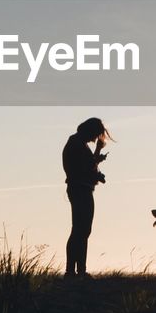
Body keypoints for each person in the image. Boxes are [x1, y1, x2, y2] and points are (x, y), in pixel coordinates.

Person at [62, 117, 111, 278]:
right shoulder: (77, 144)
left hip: (80, 188)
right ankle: (76, 270)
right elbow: (86, 166)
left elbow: (86, 166)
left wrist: (96, 168)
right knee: (81, 230)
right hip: (81, 189)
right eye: (96, 134)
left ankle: (75, 270)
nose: (96, 138)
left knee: (81, 230)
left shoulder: (76, 143)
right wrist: (97, 152)